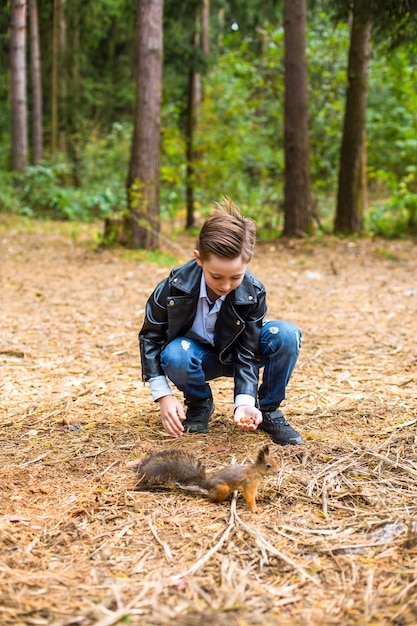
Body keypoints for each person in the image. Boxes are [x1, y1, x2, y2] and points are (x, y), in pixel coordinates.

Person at [139, 197, 303, 446]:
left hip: (239, 355)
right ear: (199, 259)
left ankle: (268, 409)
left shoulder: (253, 291)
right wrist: (163, 395)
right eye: (216, 276)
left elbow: (247, 351)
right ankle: (199, 402)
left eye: (236, 277)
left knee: (286, 334)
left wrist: (244, 402)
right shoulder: (173, 288)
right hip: (195, 358)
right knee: (175, 353)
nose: (226, 286)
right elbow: (150, 337)